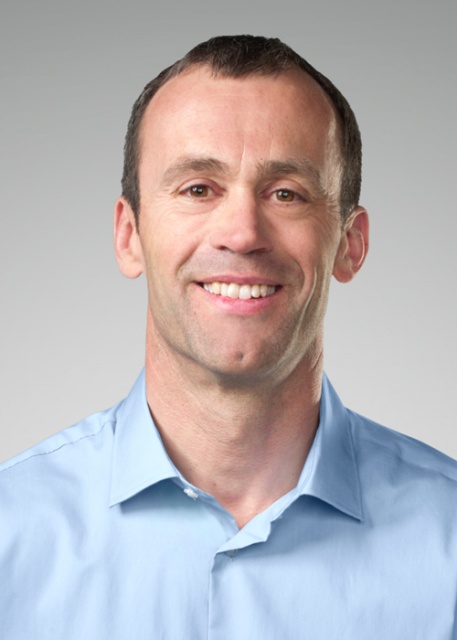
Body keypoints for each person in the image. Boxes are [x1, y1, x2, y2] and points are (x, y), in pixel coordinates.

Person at [1, 35, 457, 639]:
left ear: (351, 244)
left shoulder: (449, 541)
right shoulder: (11, 533)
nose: (242, 233)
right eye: (198, 188)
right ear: (129, 235)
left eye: (286, 193)